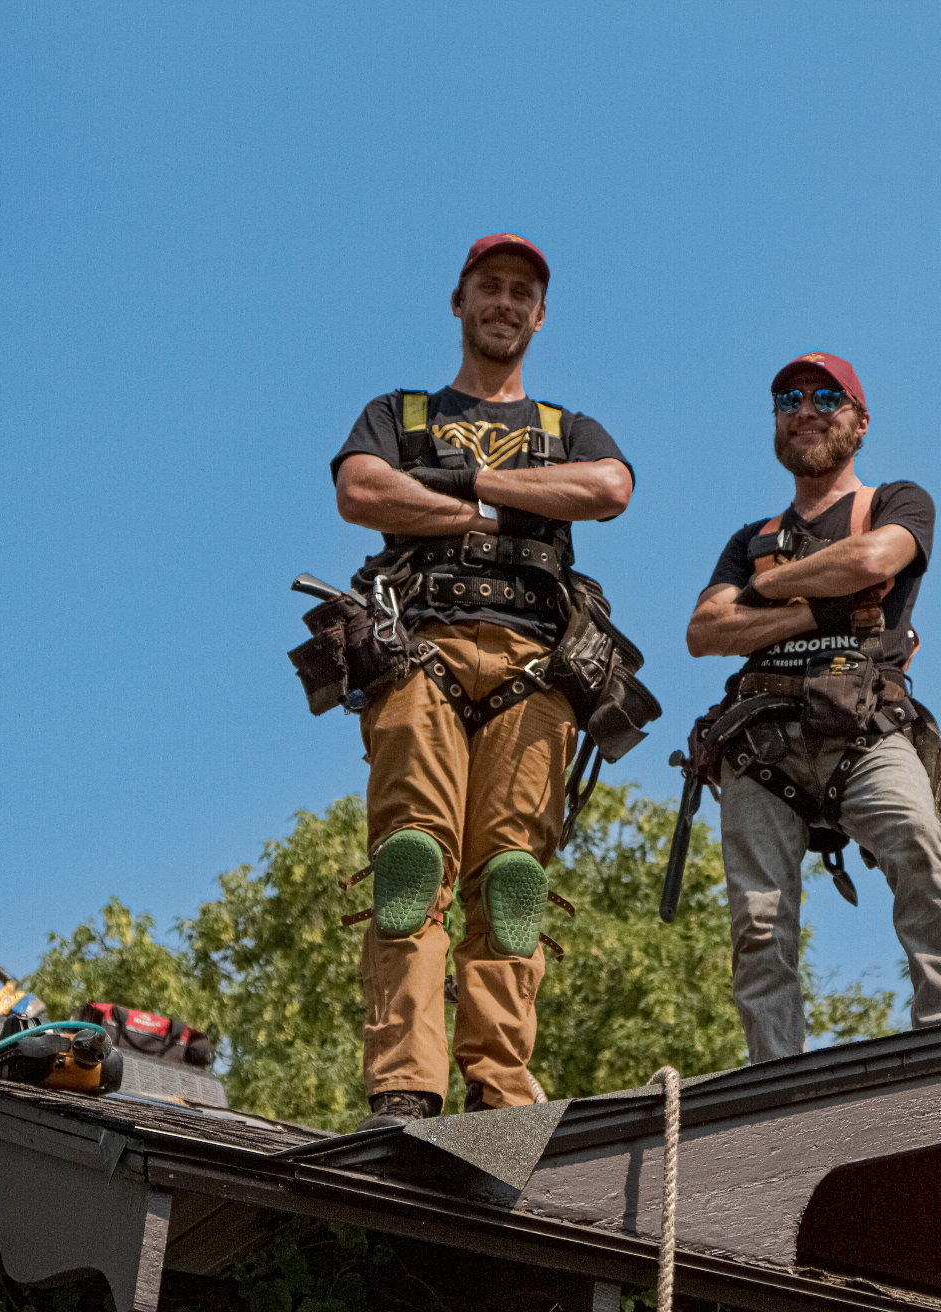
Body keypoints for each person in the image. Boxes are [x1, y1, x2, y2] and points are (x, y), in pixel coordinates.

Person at [332, 233, 635, 1126]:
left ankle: (499, 1085)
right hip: (419, 647)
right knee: (411, 862)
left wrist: (462, 490)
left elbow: (612, 488)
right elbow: (360, 490)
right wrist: (503, 502)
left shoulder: (567, 428)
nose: (504, 304)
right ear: (459, 301)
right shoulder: (399, 410)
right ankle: (406, 1083)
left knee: (512, 881)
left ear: (539, 317)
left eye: (521, 294)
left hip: (535, 664)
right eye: (489, 288)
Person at [685, 351, 941, 1062]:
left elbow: (873, 560)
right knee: (758, 921)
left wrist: (761, 596)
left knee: (917, 846)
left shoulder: (895, 503)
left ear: (861, 420)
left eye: (826, 397)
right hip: (762, 740)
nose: (806, 410)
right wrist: (818, 611)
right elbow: (704, 633)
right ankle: (775, 1074)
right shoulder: (748, 539)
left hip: (865, 729)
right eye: (789, 399)